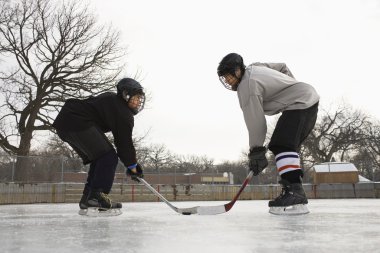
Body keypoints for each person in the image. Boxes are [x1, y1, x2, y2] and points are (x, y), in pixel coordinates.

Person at [217, 53, 319, 214]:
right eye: (225, 78)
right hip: (307, 99)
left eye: (230, 76)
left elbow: (256, 123)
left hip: (301, 103)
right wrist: (290, 87)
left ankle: (295, 193)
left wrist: (256, 151)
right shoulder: (255, 67)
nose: (228, 81)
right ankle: (294, 191)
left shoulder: (246, 86)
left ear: (238, 70)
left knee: (281, 144)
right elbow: (282, 66)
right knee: (286, 146)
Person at [53, 78, 145, 211]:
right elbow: (124, 143)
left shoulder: (111, 99)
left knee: (100, 157)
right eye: (135, 98)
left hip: (65, 122)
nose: (138, 102)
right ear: (125, 95)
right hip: (76, 120)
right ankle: (96, 197)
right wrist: (133, 166)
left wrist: (132, 164)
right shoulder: (123, 112)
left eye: (139, 99)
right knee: (109, 157)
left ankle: (87, 198)